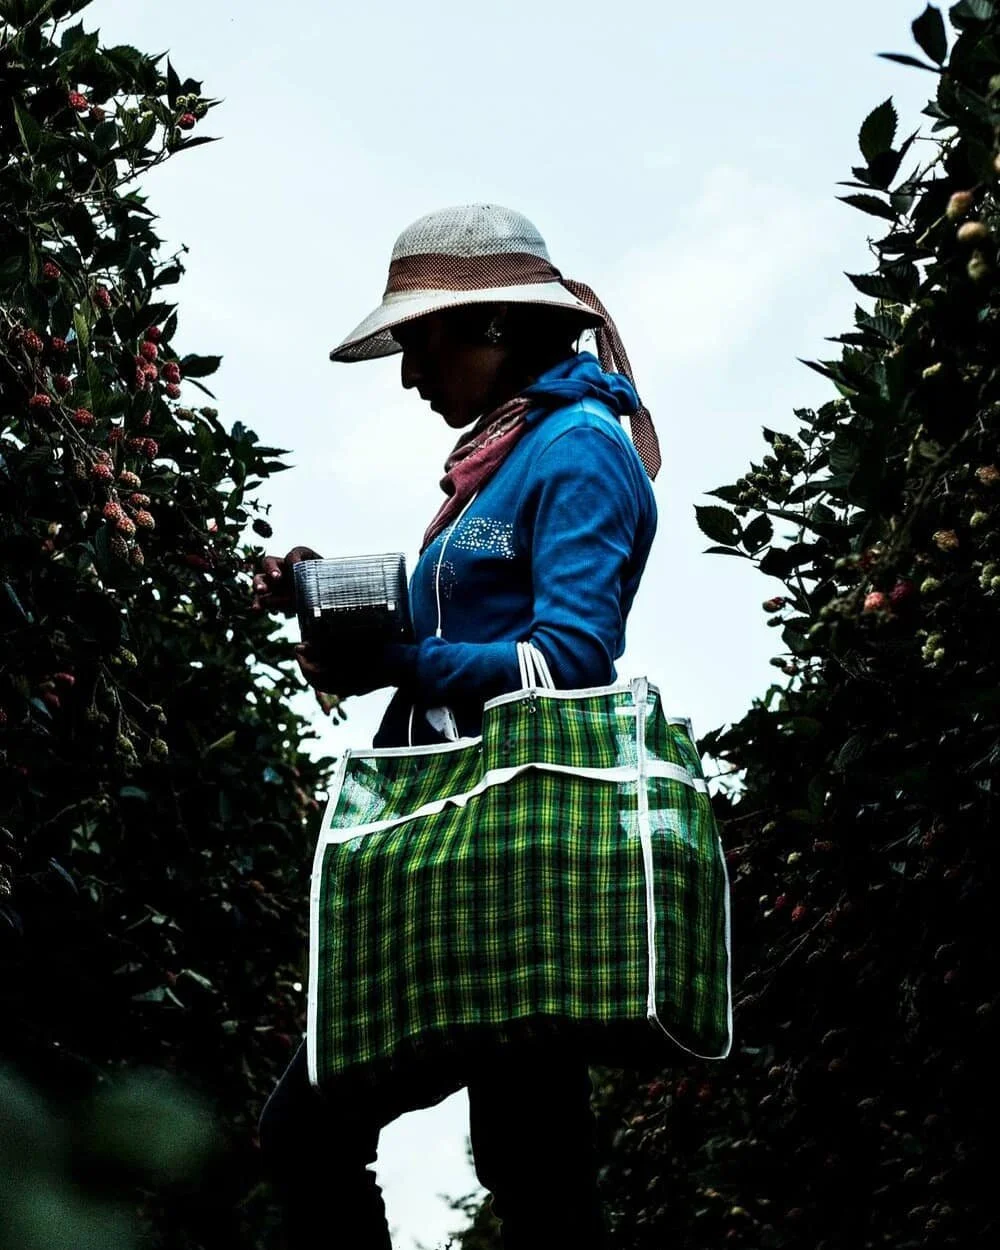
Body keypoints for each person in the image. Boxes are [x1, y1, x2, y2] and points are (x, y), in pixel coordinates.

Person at [252, 204, 659, 1250]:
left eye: (420, 340)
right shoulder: (510, 453)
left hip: (512, 853)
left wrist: (396, 660)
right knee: (526, 1159)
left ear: (488, 327)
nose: (406, 374)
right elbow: (464, 626)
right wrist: (324, 595)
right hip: (457, 848)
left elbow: (567, 661)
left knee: (492, 1154)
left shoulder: (577, 452)